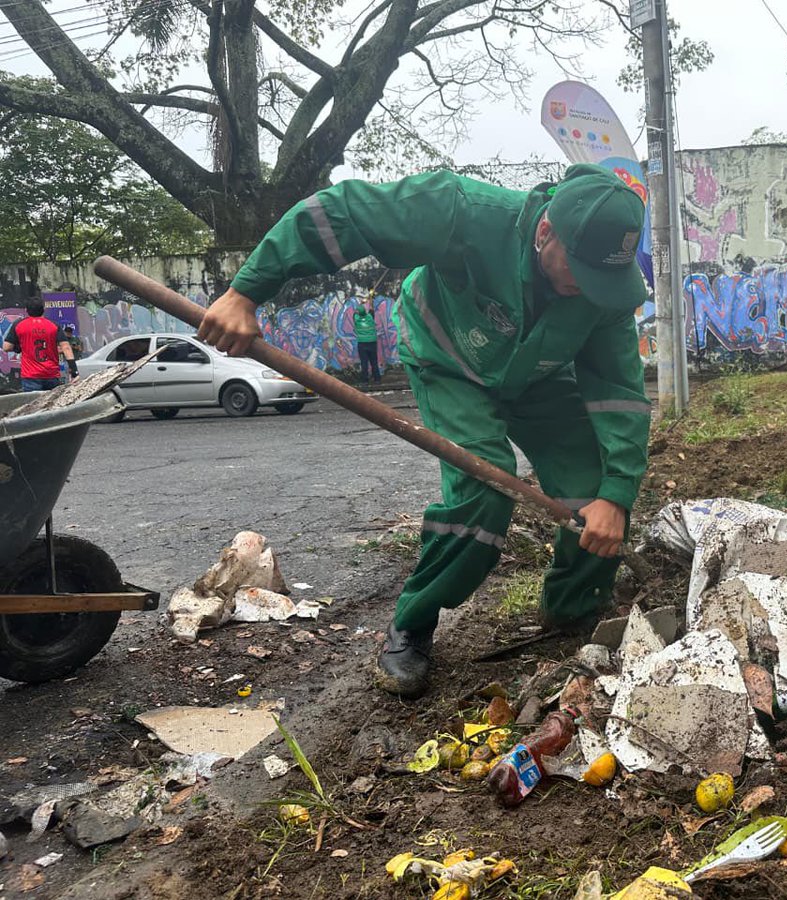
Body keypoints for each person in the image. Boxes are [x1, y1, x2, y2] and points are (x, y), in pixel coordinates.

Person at [197, 164, 651, 700]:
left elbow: (618, 391)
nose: (586, 289)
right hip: (450, 364)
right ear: (545, 231)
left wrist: (617, 493)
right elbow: (342, 212)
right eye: (578, 269)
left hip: (539, 375)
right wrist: (246, 292)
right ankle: (413, 622)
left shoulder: (603, 292)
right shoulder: (462, 211)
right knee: (486, 485)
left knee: (593, 488)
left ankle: (574, 614)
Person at [1, 298, 77, 391]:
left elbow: (6, 347)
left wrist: (20, 348)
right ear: (43, 310)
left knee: (33, 404)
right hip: (51, 374)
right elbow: (66, 347)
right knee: (52, 403)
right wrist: (74, 371)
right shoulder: (53, 325)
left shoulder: (19, 324)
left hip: (30, 375)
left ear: (26, 310)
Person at [353, 297, 382, 385]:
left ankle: (365, 381)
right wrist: (370, 299)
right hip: (372, 343)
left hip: (362, 344)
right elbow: (371, 309)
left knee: (364, 362)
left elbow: (355, 312)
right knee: (374, 361)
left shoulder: (357, 319)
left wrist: (361, 303)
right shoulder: (370, 317)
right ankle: (377, 379)